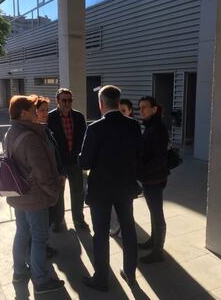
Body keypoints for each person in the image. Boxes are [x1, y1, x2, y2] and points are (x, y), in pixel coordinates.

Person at [79, 85, 142, 291]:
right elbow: (138, 155)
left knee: (100, 233)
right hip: (125, 188)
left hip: (101, 191)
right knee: (129, 229)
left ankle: (101, 278)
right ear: (118, 102)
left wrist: (79, 157)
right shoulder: (133, 125)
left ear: (101, 104)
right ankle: (130, 273)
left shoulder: (95, 128)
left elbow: (85, 163)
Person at [4, 95, 64, 294]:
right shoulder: (30, 137)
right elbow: (43, 173)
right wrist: (55, 192)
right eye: (32, 110)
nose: (36, 112)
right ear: (23, 113)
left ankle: (19, 272)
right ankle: (40, 280)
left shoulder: (10, 132)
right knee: (38, 238)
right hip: (35, 197)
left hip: (18, 194)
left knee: (22, 234)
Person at [47, 88, 89, 231]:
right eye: (64, 100)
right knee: (58, 194)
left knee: (78, 193)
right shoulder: (50, 118)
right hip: (59, 164)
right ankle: (59, 222)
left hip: (76, 162)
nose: (67, 103)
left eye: (69, 100)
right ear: (57, 101)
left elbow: (84, 139)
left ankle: (78, 220)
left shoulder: (79, 116)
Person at [137, 96, 169, 264]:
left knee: (157, 213)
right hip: (151, 178)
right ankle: (153, 241)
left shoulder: (157, 128)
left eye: (144, 107)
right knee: (153, 211)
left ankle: (158, 251)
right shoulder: (151, 126)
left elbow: (159, 159)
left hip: (154, 179)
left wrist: (141, 172)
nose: (141, 110)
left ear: (154, 109)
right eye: (140, 107)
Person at [34, 95, 66, 258]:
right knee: (43, 219)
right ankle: (41, 248)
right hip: (44, 184)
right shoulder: (34, 133)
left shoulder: (46, 129)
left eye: (47, 110)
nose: (46, 113)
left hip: (54, 179)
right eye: (42, 110)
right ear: (34, 112)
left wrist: (61, 172)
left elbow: (56, 153)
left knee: (52, 214)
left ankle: (43, 245)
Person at [110, 98, 135, 237]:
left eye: (124, 111)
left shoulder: (133, 127)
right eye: (119, 110)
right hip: (114, 174)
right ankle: (118, 226)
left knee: (126, 205)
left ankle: (124, 229)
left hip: (127, 175)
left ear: (130, 112)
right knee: (116, 204)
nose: (121, 113)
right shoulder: (113, 127)